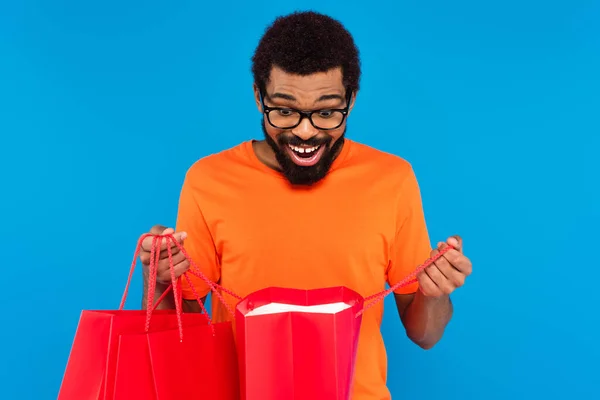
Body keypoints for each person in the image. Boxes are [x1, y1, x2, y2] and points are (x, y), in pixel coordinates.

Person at [137, 10, 472, 400]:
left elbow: (425, 335)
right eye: (284, 110)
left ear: (352, 99)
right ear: (258, 97)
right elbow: (183, 340)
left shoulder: (391, 179)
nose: (305, 130)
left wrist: (435, 292)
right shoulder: (208, 180)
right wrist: (159, 280)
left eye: (327, 112)